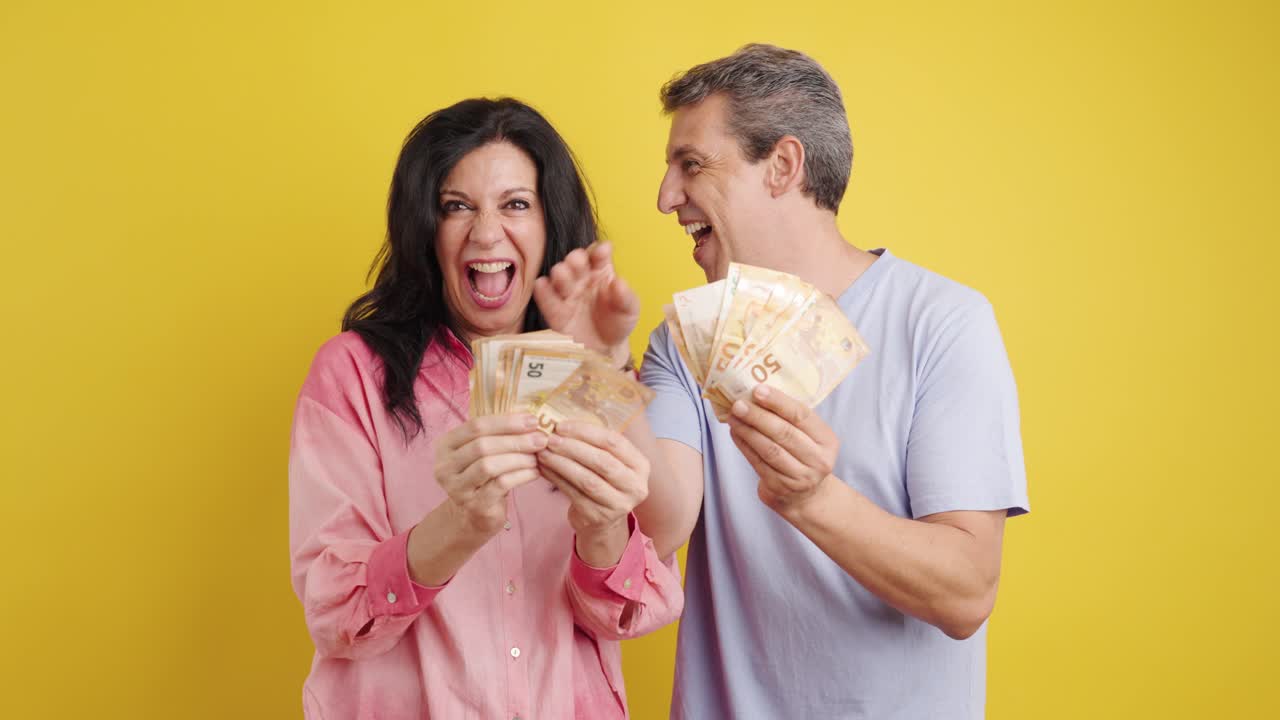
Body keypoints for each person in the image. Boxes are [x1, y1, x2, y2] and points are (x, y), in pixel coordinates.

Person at [541, 44, 1029, 719]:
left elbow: (967, 592)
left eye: (692, 166)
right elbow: (662, 522)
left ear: (783, 166)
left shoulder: (943, 324)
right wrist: (599, 370)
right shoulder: (683, 341)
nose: (665, 198)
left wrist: (812, 500)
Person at [287, 97, 682, 720]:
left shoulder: (582, 367)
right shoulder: (352, 373)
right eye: (456, 207)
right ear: (426, 227)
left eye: (515, 204)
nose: (487, 232)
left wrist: (603, 527)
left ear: (550, 223)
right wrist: (461, 524)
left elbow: (635, 609)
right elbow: (334, 612)